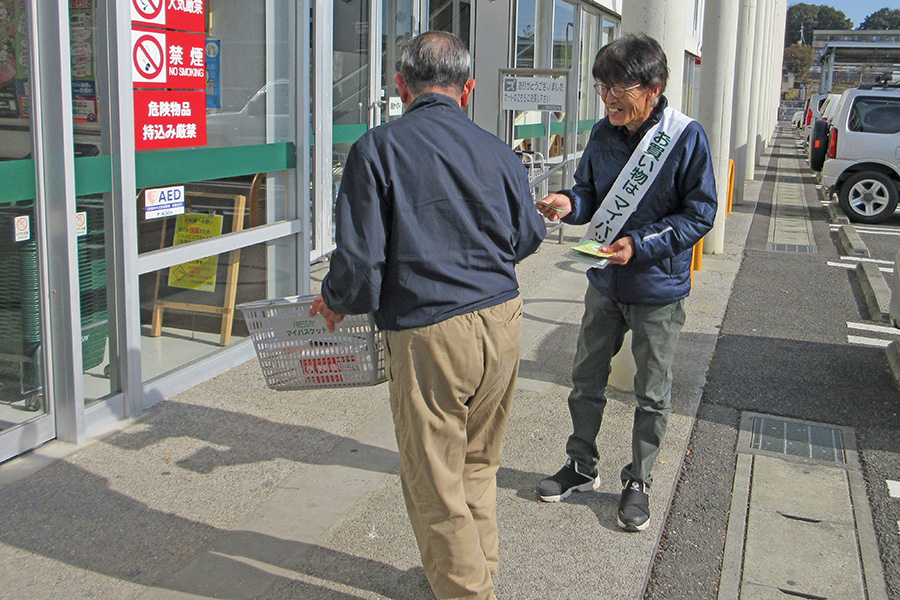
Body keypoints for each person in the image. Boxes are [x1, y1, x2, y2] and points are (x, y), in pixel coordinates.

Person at [310, 31, 546, 600]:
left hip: (431, 330)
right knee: (478, 463)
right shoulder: (497, 150)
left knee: (434, 479)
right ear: (466, 89)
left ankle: (467, 591)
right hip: (504, 318)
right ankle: (475, 571)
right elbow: (528, 236)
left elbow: (360, 261)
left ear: (400, 86)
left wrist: (335, 300)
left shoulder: (378, 148)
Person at [534, 34, 716, 532]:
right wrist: (570, 204)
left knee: (652, 392)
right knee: (586, 378)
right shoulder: (602, 132)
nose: (609, 96)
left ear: (653, 88)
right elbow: (590, 191)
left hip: (658, 287)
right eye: (601, 85)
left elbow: (700, 214)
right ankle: (581, 465)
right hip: (606, 282)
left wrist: (642, 244)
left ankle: (640, 480)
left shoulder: (685, 138)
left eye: (619, 86)